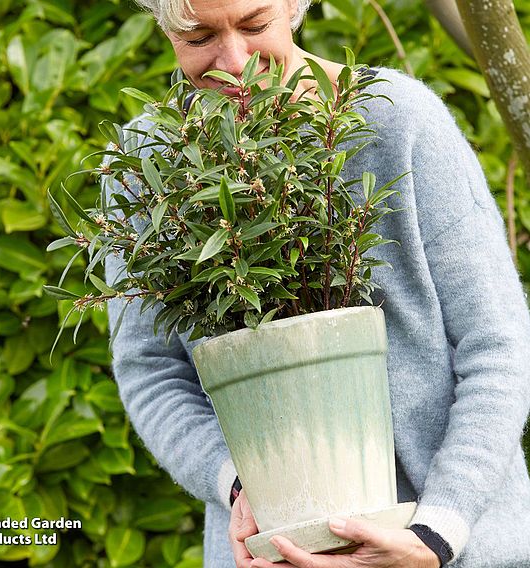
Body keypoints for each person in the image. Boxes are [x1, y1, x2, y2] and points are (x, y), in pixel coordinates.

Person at [104, 1, 530, 566]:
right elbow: (152, 371)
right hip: (273, 553)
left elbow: (497, 343)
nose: (233, 60)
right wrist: (240, 487)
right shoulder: (146, 166)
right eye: (198, 35)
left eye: (256, 25)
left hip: (456, 547)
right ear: (163, 27)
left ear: (293, 7)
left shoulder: (399, 122)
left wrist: (437, 532)